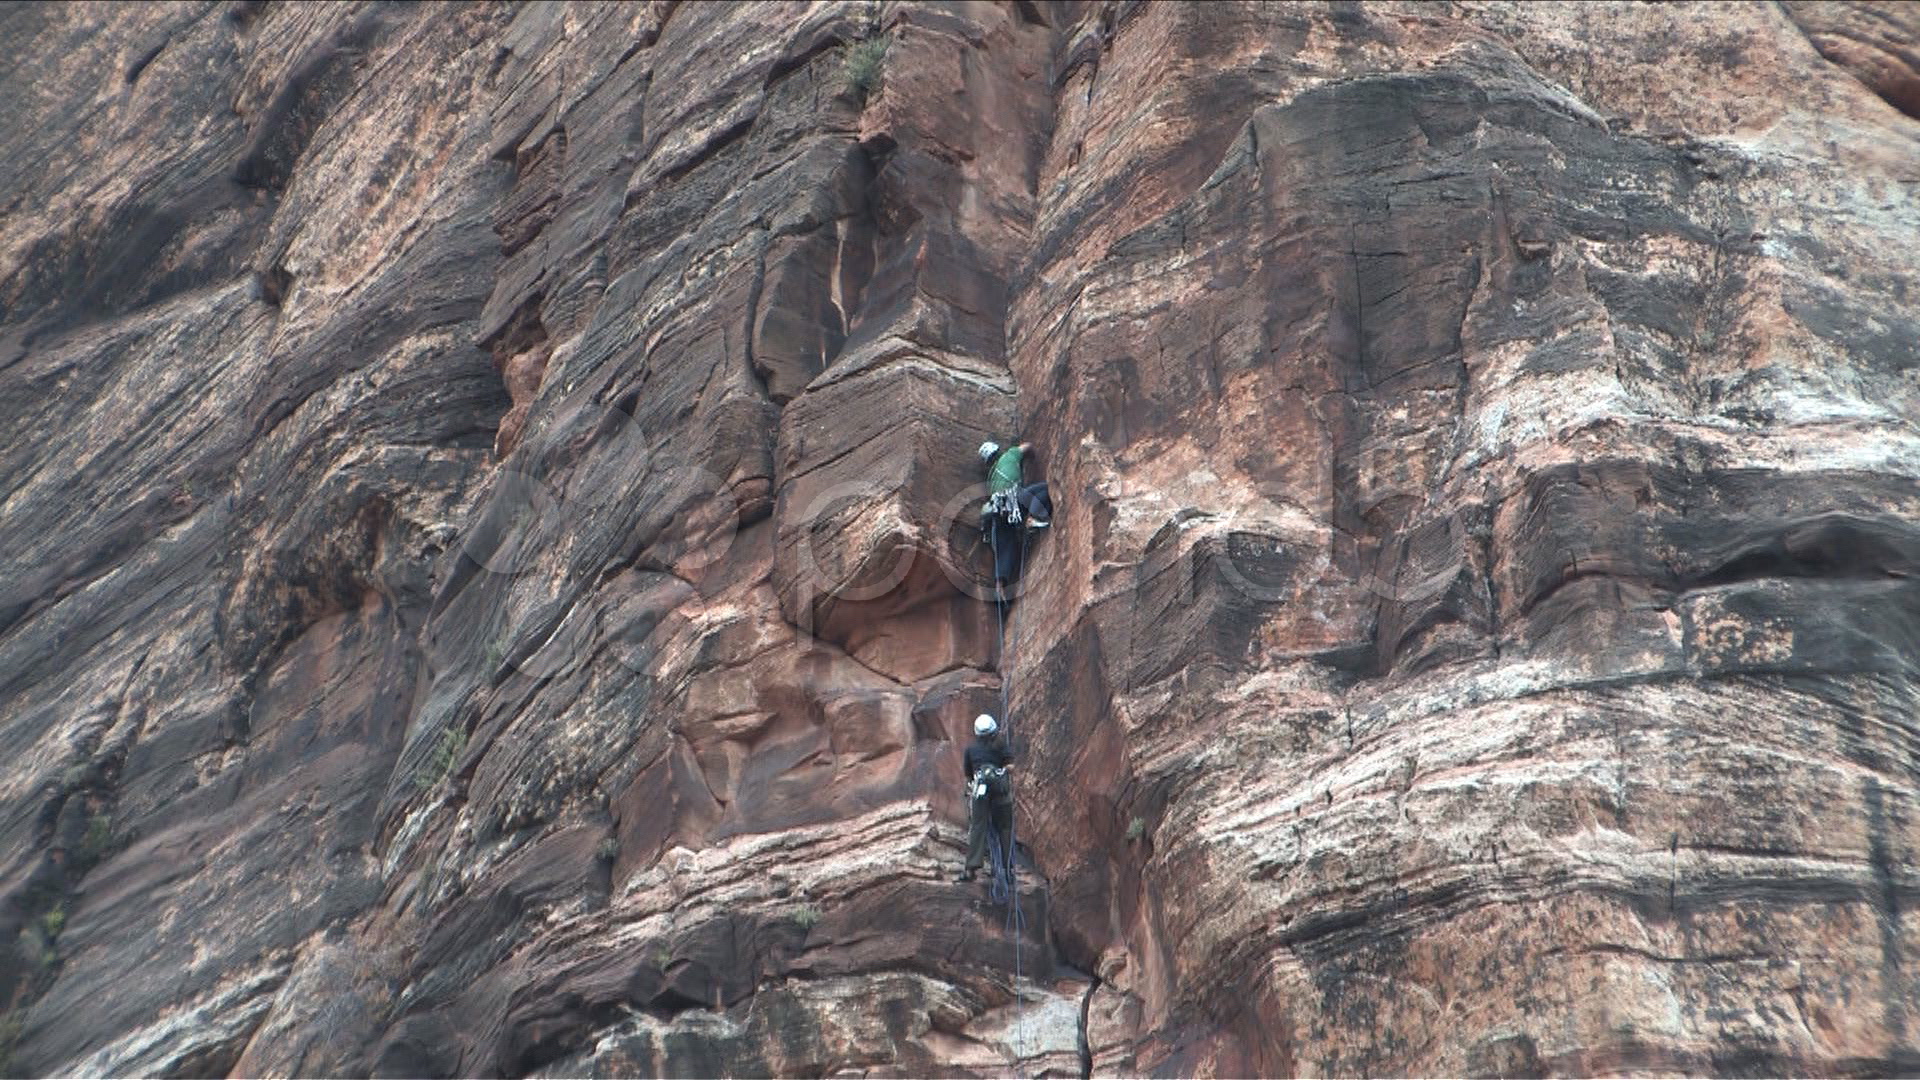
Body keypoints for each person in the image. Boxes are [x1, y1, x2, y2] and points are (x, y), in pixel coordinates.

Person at [978, 440, 1051, 600]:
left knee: (1005, 547)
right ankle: (1032, 518)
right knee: (1045, 489)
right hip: (1013, 501)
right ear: (998, 451)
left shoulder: (991, 480)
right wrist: (1033, 456)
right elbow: (1028, 447)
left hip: (997, 514)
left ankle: (1000, 587)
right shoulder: (1009, 456)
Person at [956, 713, 1015, 882]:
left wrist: (969, 789)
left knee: (977, 826)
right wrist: (1002, 770)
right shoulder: (1000, 744)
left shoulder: (970, 750)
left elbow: (968, 776)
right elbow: (1010, 765)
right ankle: (1008, 871)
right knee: (1005, 827)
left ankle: (971, 870)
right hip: (1000, 792)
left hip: (980, 792)